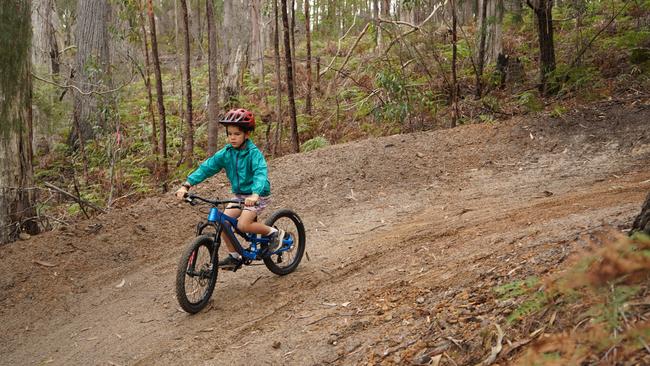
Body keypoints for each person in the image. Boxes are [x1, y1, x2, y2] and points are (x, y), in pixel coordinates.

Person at [175, 108, 284, 270]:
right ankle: (234, 256)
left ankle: (274, 233)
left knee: (243, 225)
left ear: (247, 135)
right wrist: (187, 184)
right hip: (240, 195)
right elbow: (207, 168)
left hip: (258, 194)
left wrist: (255, 194)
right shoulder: (226, 153)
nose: (232, 137)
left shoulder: (254, 154)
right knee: (223, 221)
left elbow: (260, 174)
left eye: (237, 134)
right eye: (229, 133)